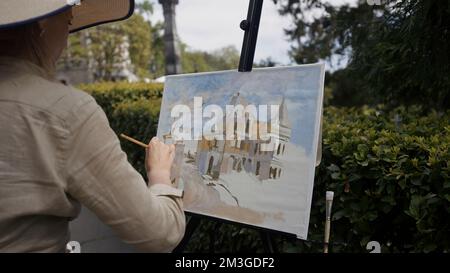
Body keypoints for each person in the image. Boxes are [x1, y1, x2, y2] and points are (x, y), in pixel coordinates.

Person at [0, 0, 186, 252]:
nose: (66, 41)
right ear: (43, 24)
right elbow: (159, 233)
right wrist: (160, 173)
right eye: (67, 23)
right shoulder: (66, 111)